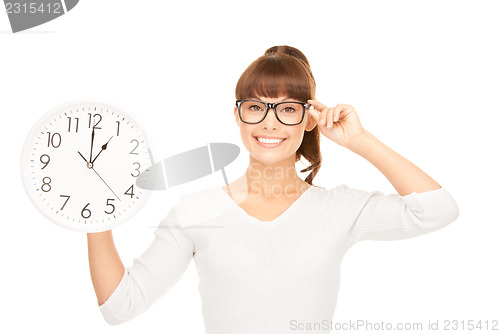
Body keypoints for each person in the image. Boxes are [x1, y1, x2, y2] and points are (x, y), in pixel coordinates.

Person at [87, 45, 459, 333]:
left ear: (308, 118)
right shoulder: (196, 212)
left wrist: (358, 139)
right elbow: (121, 307)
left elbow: (437, 209)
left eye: (287, 109)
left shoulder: (339, 209)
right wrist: (94, 211)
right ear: (237, 114)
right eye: (256, 107)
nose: (270, 123)